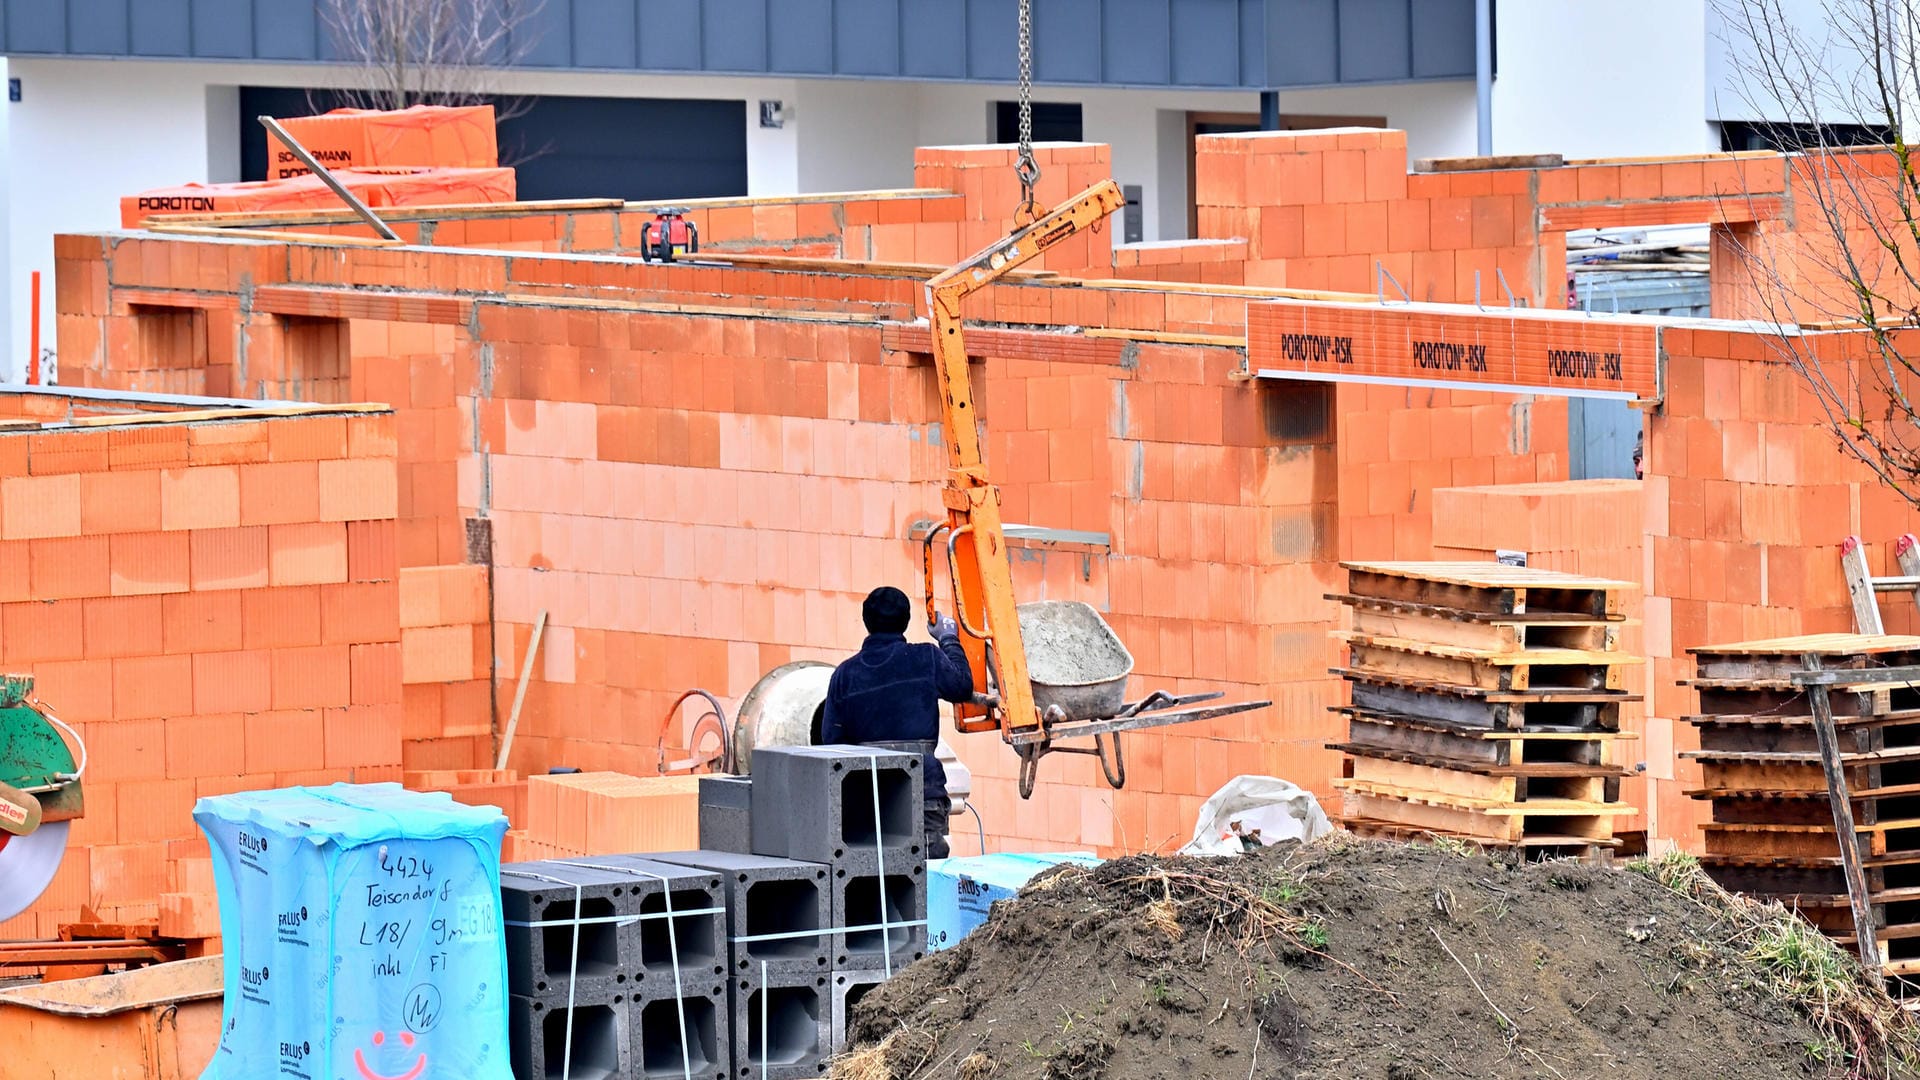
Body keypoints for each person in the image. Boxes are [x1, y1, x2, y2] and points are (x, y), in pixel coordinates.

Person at [819, 586, 976, 859]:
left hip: (868, 802)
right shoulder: (926, 657)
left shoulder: (845, 675)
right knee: (927, 880)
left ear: (866, 622)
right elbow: (962, 687)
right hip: (923, 794)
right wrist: (949, 638)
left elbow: (831, 743)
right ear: (906, 621)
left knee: (874, 881)